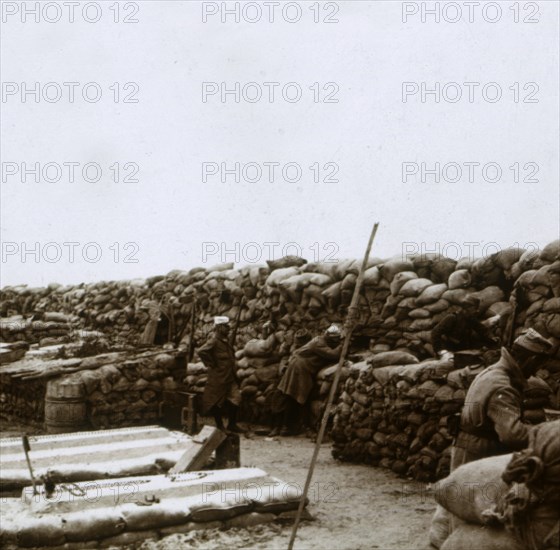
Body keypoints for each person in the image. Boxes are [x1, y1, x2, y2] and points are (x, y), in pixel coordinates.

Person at [451, 328, 554, 470]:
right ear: (532, 359)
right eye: (537, 365)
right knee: (471, 491)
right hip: (480, 454)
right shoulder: (504, 386)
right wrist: (550, 434)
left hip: (472, 448)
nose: (535, 372)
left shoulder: (495, 371)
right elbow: (512, 434)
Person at [270, 324, 343, 436]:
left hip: (300, 367)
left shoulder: (321, 341)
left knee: (292, 394)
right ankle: (292, 427)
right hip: (300, 368)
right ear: (328, 336)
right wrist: (342, 346)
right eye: (334, 339)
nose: (336, 341)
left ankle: (286, 427)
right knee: (297, 395)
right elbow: (332, 355)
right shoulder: (319, 342)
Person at [197, 316, 243, 433]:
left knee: (236, 398)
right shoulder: (214, 340)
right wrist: (211, 363)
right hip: (219, 377)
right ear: (219, 327)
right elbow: (201, 351)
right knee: (217, 401)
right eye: (226, 327)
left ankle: (232, 424)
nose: (228, 329)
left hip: (230, 376)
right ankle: (220, 426)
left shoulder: (225, 341)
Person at [431, 296, 498, 356]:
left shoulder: (471, 319)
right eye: (475, 308)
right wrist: (439, 350)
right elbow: (435, 332)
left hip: (463, 348)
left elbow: (482, 329)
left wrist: (492, 337)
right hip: (449, 349)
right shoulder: (452, 318)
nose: (477, 310)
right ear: (467, 308)